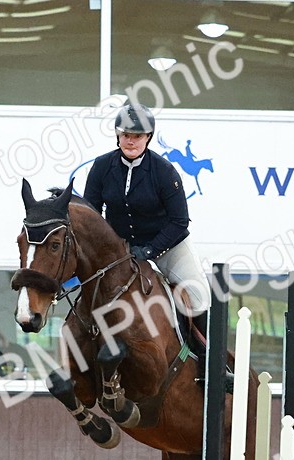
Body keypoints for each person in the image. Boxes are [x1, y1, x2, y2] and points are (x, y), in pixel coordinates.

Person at [81, 102, 212, 341]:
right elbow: (91, 213)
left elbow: (179, 221)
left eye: (137, 136)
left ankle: (207, 361)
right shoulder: (101, 167)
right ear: (118, 136)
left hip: (167, 246)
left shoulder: (164, 171)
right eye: (126, 135)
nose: (131, 141)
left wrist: (151, 249)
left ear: (148, 137)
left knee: (198, 296)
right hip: (120, 250)